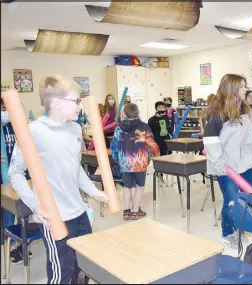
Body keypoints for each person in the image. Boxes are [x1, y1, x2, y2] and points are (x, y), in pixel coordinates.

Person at [8, 75, 108, 284]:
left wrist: (93, 191)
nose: (80, 106)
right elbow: (15, 173)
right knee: (62, 273)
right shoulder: (34, 131)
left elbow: (76, 168)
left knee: (83, 269)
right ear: (56, 103)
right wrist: (35, 205)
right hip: (56, 218)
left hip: (80, 214)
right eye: (76, 100)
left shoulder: (75, 129)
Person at [203, 74, 252, 250]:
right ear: (232, 89)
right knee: (231, 201)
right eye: (242, 87)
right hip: (227, 167)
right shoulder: (218, 113)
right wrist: (221, 166)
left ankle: (240, 227)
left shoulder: (244, 109)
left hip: (246, 163)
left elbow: (248, 137)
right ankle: (227, 233)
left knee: (248, 198)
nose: (245, 90)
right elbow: (210, 142)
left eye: (245, 85)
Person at [110, 103, 160, 221]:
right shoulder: (144, 127)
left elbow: (114, 146)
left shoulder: (118, 128)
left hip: (125, 163)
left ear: (124, 114)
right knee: (140, 186)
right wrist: (154, 155)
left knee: (127, 187)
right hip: (140, 163)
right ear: (138, 113)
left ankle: (126, 211)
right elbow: (152, 144)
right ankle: (135, 210)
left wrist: (118, 160)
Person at [1, 98, 32, 264]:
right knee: (8, 211)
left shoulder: (20, 125)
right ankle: (10, 244)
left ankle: (21, 245)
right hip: (5, 176)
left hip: (23, 174)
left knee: (24, 210)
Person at [148, 101, 173, 183]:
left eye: (163, 108)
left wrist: (172, 134)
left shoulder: (166, 117)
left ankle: (163, 172)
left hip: (166, 140)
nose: (162, 109)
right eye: (160, 108)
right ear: (156, 109)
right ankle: (160, 175)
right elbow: (149, 132)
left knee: (166, 157)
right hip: (157, 142)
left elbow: (168, 128)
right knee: (159, 159)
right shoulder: (152, 120)